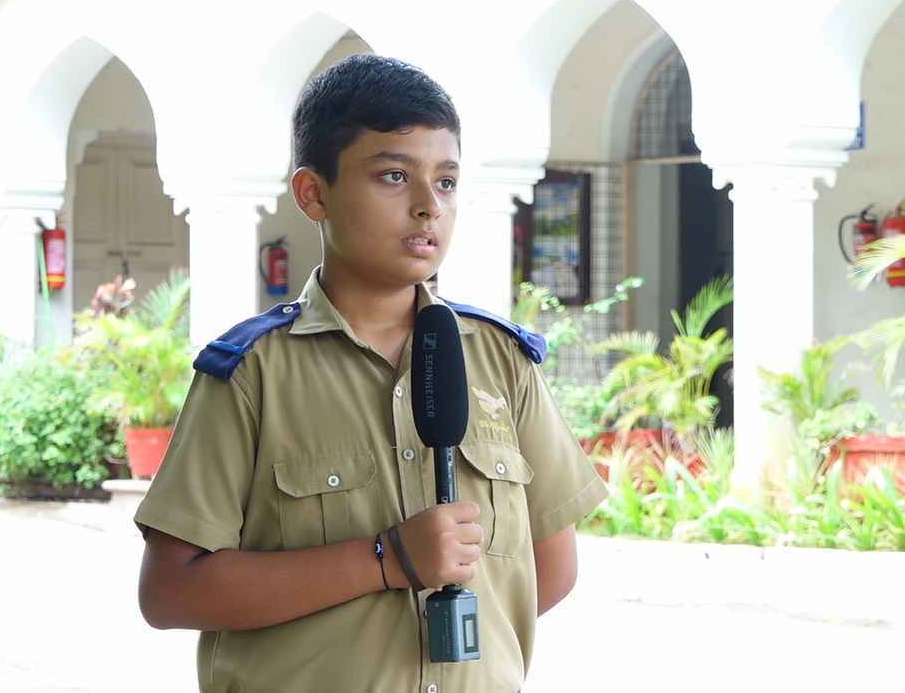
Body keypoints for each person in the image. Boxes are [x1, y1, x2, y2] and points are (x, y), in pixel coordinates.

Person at [134, 54, 608, 693]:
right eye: (394, 175)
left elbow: (548, 569)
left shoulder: (500, 361)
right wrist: (384, 561)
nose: (427, 207)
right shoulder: (251, 374)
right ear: (314, 193)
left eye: (446, 182)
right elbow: (171, 590)